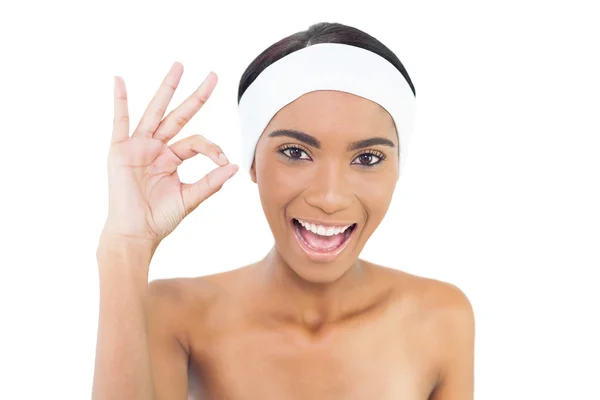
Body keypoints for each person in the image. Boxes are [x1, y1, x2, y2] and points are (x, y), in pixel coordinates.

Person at [92, 22, 475, 400]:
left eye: (368, 157)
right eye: (295, 153)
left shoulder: (441, 318)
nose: (330, 197)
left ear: (398, 169)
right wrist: (125, 246)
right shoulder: (177, 315)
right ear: (253, 161)